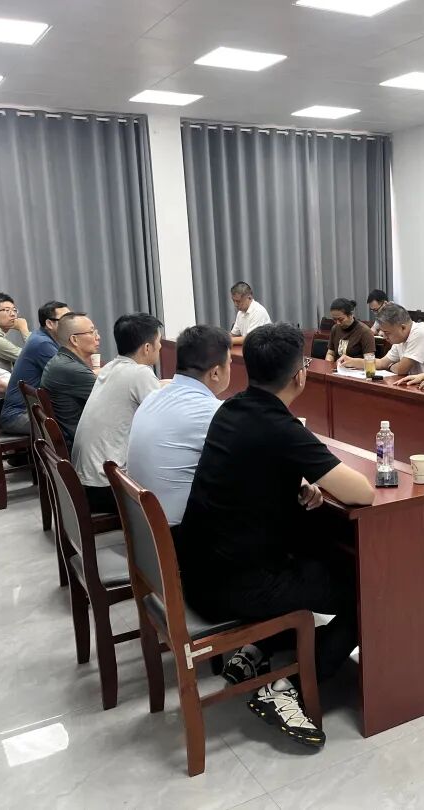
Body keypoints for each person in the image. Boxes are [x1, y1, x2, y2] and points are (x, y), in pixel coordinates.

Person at [178, 323, 375, 748]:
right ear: (299, 375)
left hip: (197, 570)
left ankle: (254, 653)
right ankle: (289, 688)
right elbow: (362, 493)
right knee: (369, 593)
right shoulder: (281, 427)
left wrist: (297, 481)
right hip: (233, 587)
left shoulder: (231, 408)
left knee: (320, 561)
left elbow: (252, 470)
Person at [127, 325, 232, 526]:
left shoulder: (153, 397)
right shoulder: (212, 412)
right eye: (229, 363)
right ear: (215, 373)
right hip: (177, 531)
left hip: (144, 525)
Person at [71, 313, 163, 514]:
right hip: (108, 488)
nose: (161, 347)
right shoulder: (140, 373)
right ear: (147, 348)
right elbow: (164, 420)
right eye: (159, 342)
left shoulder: (111, 367)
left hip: (87, 483)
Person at [0, 300, 70, 435]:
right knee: (72, 422)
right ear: (50, 323)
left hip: (30, 409)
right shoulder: (42, 343)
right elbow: (67, 377)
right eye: (66, 320)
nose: (72, 323)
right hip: (18, 415)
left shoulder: (45, 338)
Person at [39, 312, 100, 448]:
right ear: (74, 340)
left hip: (74, 435)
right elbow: (113, 400)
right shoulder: (69, 369)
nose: (98, 337)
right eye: (91, 332)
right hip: (83, 444)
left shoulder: (61, 361)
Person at [343, 303, 424, 376]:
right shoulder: (400, 339)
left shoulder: (421, 332)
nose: (384, 336)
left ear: (403, 327)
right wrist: (352, 361)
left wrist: (390, 366)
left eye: (387, 333)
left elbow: (401, 369)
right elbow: (382, 363)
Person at [0, 292, 30, 371]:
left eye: (14, 310)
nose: (13, 314)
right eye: (7, 310)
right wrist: (24, 330)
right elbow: (34, 357)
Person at [324, 297, 375, 363]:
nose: (338, 323)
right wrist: (329, 363)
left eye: (341, 319)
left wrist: (351, 363)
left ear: (350, 315)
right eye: (334, 319)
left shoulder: (365, 332)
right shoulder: (335, 329)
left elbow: (369, 361)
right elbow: (330, 353)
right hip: (337, 367)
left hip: (356, 368)